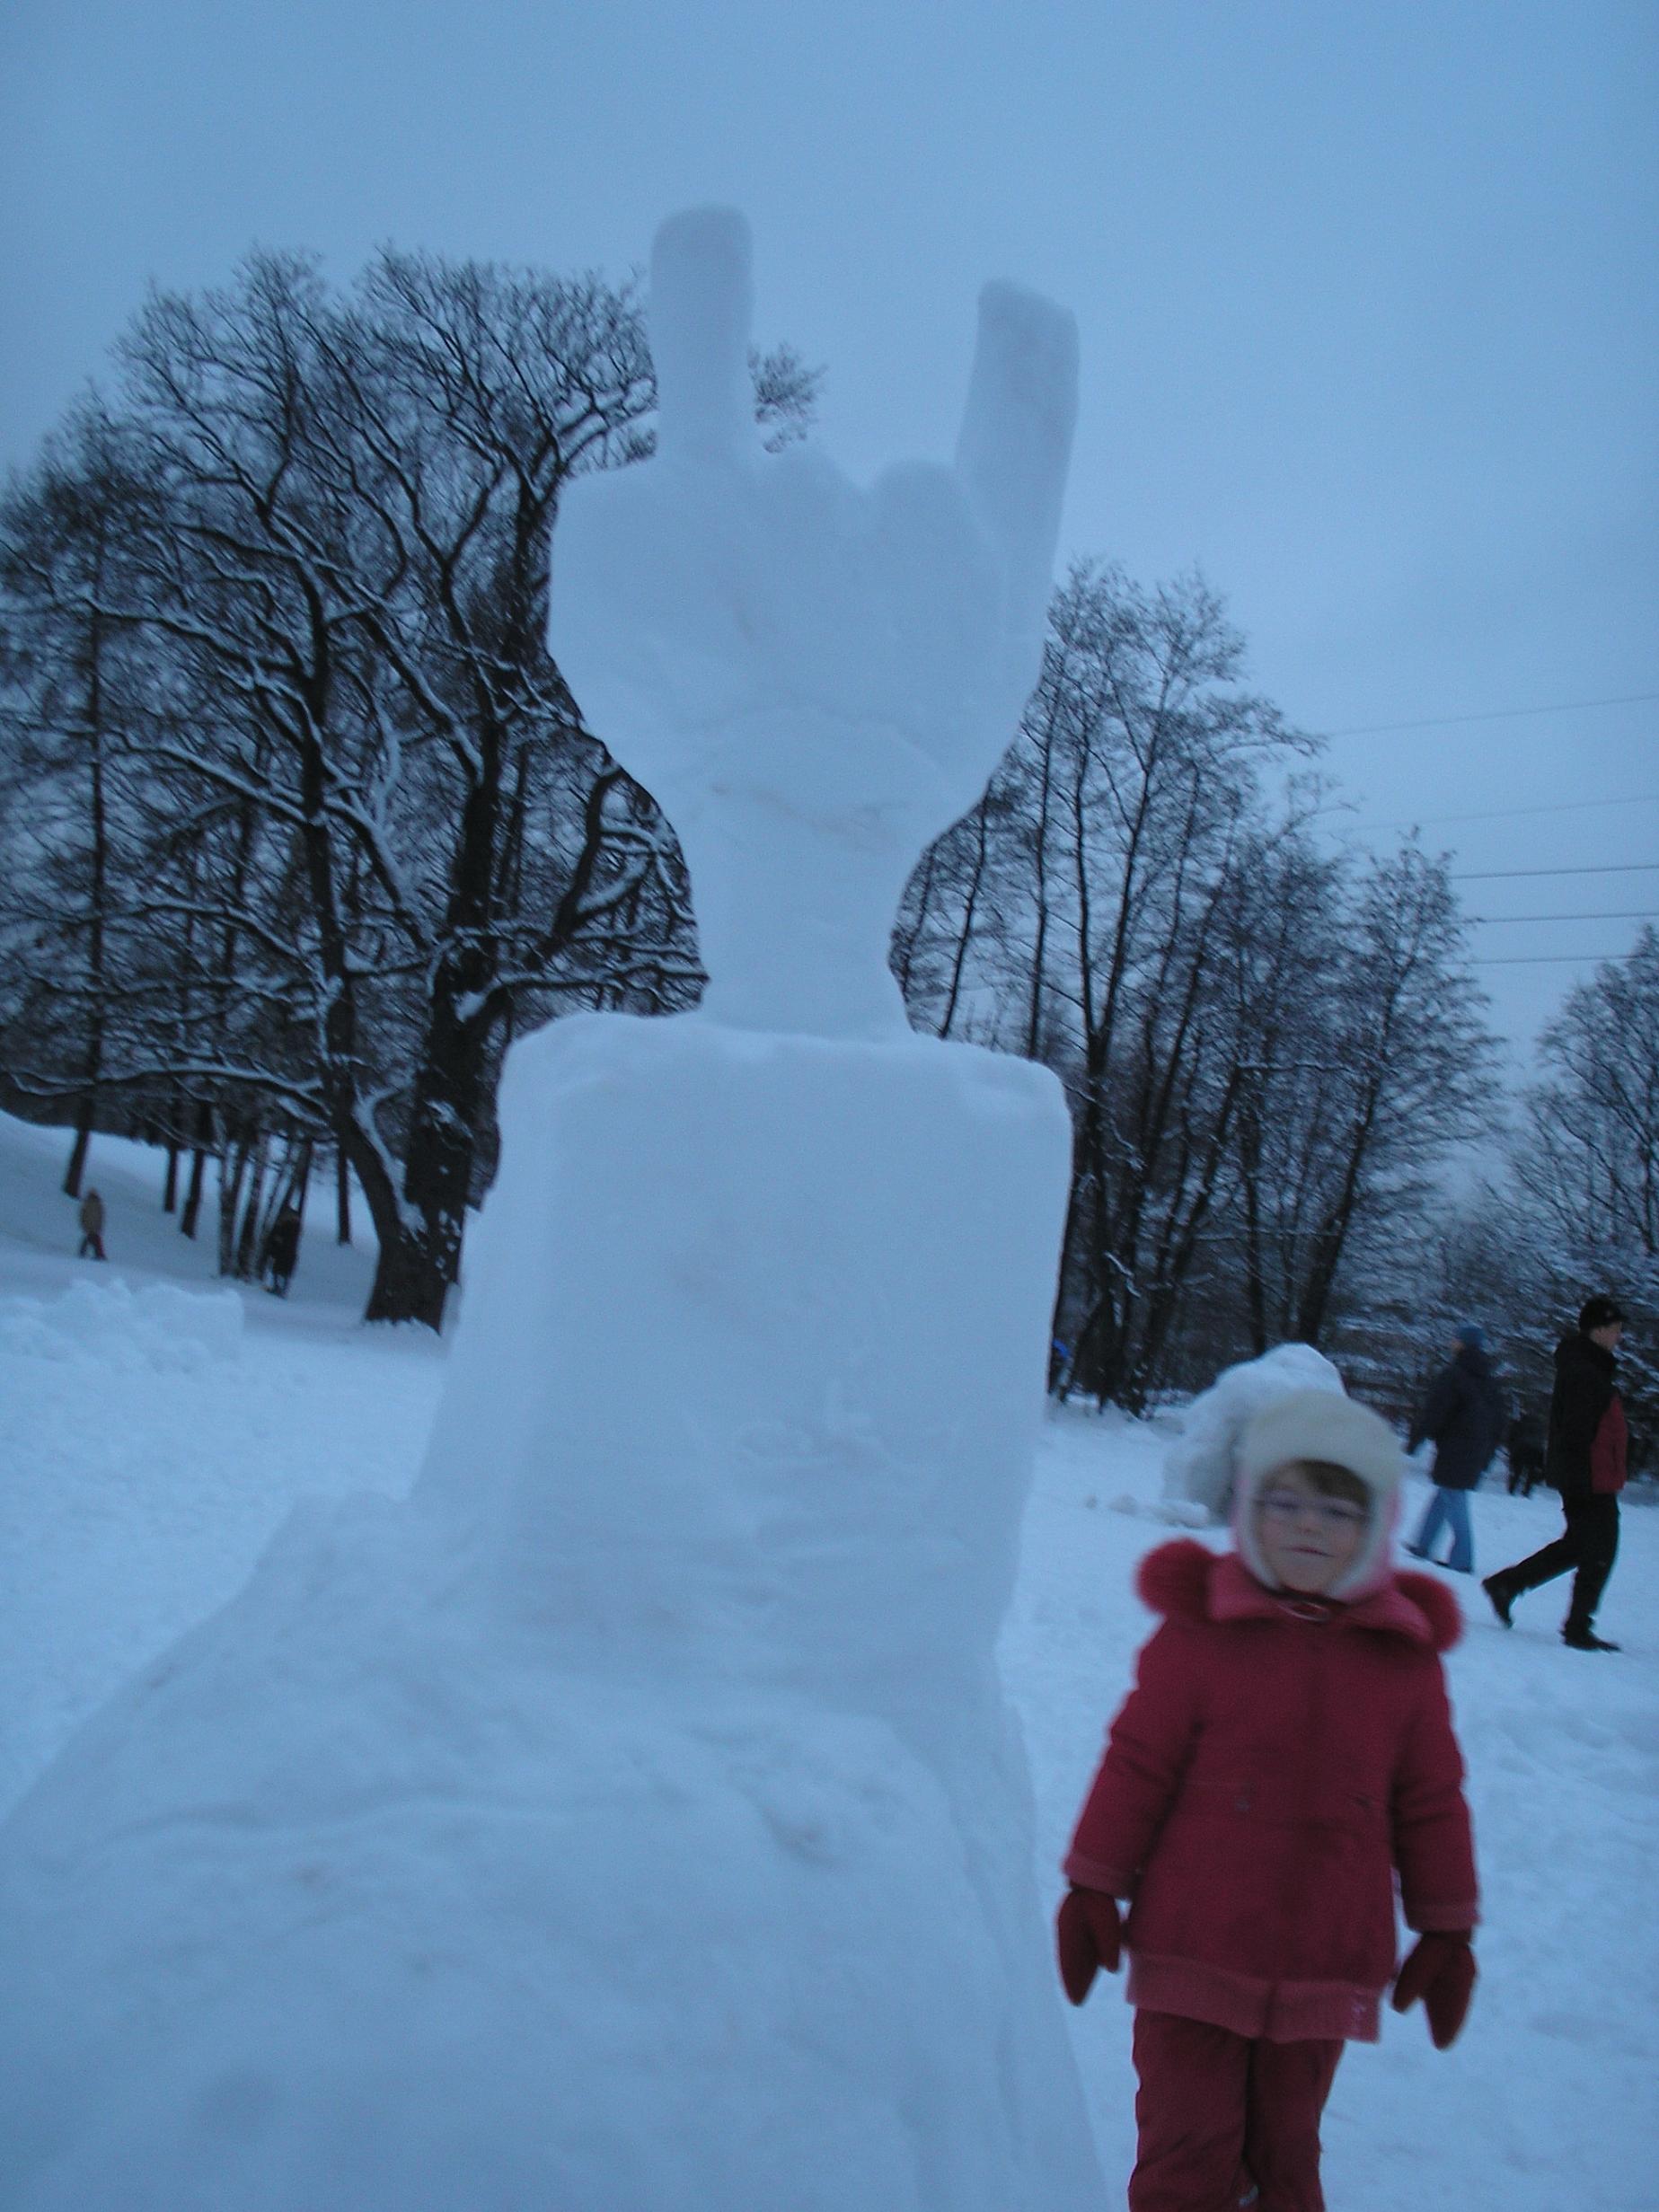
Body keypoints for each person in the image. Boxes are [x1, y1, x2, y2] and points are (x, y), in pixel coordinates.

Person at [1056, 1389, 1477, 2212]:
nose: (1307, 1526)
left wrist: (1447, 1923)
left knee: (1285, 2152)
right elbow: (1135, 1763)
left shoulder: (1403, 1662)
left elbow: (1431, 1800)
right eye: (1282, 1503)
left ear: (1377, 1523)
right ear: (1246, 1509)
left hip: (1325, 1959)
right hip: (1192, 1949)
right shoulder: (1200, 1632)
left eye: (1334, 1508)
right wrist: (1092, 1882)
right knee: (1186, 2147)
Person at [1482, 1297, 1628, 1652]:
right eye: (1615, 1330)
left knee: (1581, 1546)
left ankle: (1508, 1585)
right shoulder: (1584, 1371)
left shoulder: (1589, 1366)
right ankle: (1578, 1628)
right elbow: (1576, 1429)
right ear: (1598, 1329)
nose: (1618, 1338)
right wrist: (1579, 1477)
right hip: (1588, 1477)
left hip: (1590, 1474)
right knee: (1599, 1549)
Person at [1403, 1322, 1507, 1574]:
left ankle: (1462, 1559)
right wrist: (1489, 1453)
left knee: (1454, 1497)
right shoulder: (1490, 1381)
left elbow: (1436, 1410)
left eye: (1455, 1339)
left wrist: (1417, 1438)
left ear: (1462, 1343)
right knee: (1445, 1495)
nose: (1452, 1342)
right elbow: (1499, 1421)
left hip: (1455, 1447)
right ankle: (1422, 1545)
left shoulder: (1454, 1374)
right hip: (1477, 1448)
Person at [1504, 1410, 1547, 1497]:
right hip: (1536, 1450)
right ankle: (1527, 1491)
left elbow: (1513, 1437)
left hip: (1521, 1449)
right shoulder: (1540, 1427)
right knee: (1531, 1472)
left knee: (1517, 1471)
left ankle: (1512, 1489)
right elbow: (1542, 1441)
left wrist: (1511, 1450)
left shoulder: (1521, 1424)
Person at [264, 1208, 301, 1298]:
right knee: (283, 1272)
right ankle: (281, 1289)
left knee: (279, 1271)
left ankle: (278, 1289)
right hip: (288, 1253)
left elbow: (280, 1238)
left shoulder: (287, 1225)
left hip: (283, 1252)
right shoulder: (295, 1226)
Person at [76, 1186, 107, 1261]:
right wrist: (100, 1225)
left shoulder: (88, 1203)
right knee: (94, 1240)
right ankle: (99, 1254)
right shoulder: (96, 1203)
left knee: (91, 1239)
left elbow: (83, 1215)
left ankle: (85, 1252)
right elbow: (101, 1216)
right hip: (93, 1226)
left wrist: (83, 1224)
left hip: (90, 1226)